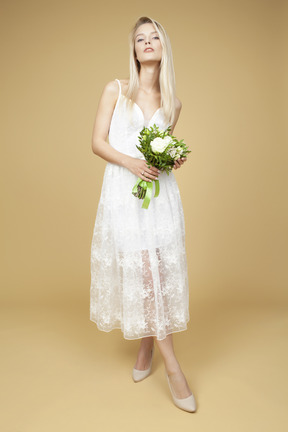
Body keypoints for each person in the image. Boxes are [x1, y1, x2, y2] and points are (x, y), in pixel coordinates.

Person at [90, 16, 196, 413]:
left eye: (154, 38)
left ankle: (146, 345)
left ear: (163, 47)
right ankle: (173, 368)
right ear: (133, 49)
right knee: (144, 272)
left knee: (159, 272)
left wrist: (171, 159)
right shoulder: (115, 89)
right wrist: (132, 163)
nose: (147, 43)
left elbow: (161, 154)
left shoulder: (174, 103)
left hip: (160, 196)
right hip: (124, 193)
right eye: (140, 38)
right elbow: (97, 143)